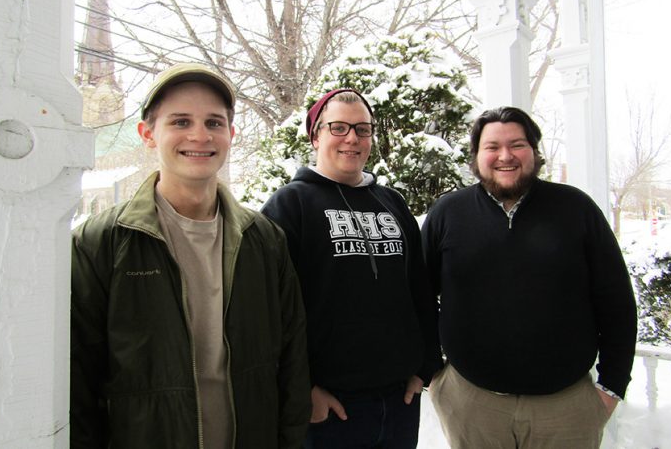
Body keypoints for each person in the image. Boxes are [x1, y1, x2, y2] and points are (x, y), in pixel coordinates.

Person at [70, 63, 311, 449]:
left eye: (214, 122)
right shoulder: (100, 243)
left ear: (231, 134)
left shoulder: (265, 240)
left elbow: (293, 364)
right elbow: (77, 383)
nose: (200, 135)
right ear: (148, 134)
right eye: (180, 122)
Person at [421, 106, 638, 449]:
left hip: (566, 409)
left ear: (534, 152)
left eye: (517, 145)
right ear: (476, 156)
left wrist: (611, 386)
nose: (505, 156)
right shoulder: (447, 213)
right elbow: (418, 297)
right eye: (492, 146)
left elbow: (616, 302)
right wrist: (433, 374)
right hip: (470, 405)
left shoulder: (576, 209)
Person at [261, 88, 442, 449]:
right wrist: (304, 388)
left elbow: (419, 290)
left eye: (363, 129)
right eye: (338, 128)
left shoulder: (391, 203)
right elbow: (269, 309)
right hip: (330, 408)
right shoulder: (290, 205)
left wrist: (424, 368)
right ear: (316, 136)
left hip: (399, 401)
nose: (352, 139)